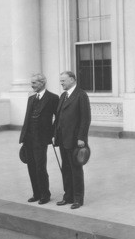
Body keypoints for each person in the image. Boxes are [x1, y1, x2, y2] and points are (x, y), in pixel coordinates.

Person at [53, 71, 91, 210]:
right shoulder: (63, 96)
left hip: (75, 140)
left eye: (63, 80)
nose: (61, 83)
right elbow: (59, 118)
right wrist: (54, 134)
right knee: (66, 169)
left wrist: (82, 138)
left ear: (72, 80)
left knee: (76, 169)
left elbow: (85, 118)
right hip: (63, 139)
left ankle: (78, 199)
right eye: (60, 80)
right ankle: (67, 196)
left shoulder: (81, 95)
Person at [19, 73, 59, 205]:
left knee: (40, 167)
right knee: (31, 167)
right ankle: (36, 194)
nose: (32, 85)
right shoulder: (31, 98)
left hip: (41, 139)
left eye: (34, 83)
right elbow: (26, 119)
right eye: (32, 83)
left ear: (42, 83)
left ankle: (45, 194)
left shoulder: (53, 98)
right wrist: (23, 138)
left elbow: (58, 118)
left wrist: (51, 134)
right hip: (29, 138)